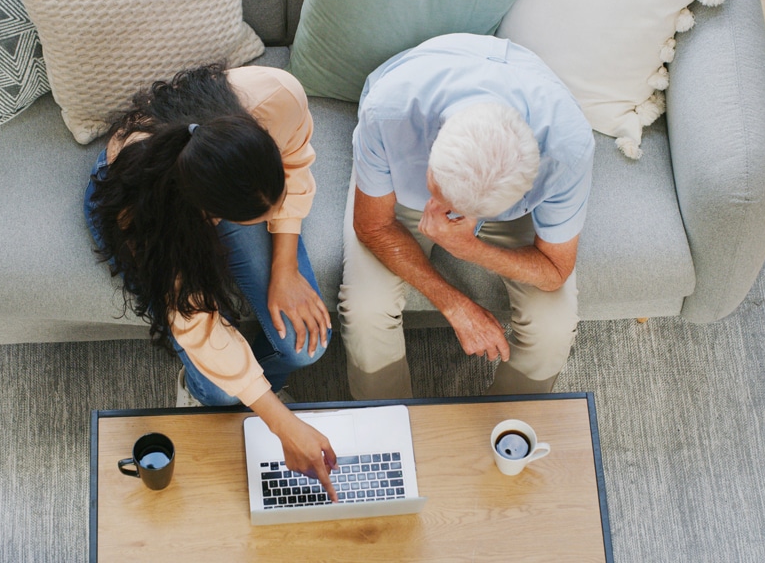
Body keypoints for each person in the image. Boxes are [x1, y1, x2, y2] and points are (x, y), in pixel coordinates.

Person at [84, 64, 342, 488]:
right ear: (214, 215)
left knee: (304, 345)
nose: (267, 221)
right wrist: (282, 423)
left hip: (214, 180)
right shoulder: (153, 209)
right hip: (142, 192)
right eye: (252, 220)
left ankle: (255, 390)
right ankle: (231, 392)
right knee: (219, 393)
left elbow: (295, 161)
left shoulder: (276, 97)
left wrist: (285, 266)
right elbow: (195, 322)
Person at [340, 33, 594, 400]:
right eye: (439, 195)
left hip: (509, 185)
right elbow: (372, 225)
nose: (448, 213)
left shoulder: (567, 151)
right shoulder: (389, 111)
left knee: (553, 327)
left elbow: (554, 271)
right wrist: (454, 303)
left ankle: (505, 432)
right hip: (409, 166)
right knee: (365, 309)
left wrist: (468, 248)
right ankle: (391, 426)